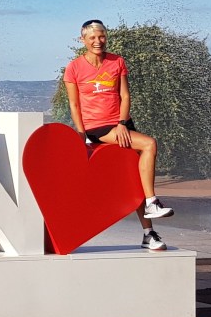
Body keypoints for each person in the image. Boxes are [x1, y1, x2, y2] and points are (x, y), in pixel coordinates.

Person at [63, 19, 174, 251]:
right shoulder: (74, 68)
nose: (98, 41)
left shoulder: (117, 61)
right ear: (82, 40)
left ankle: (148, 234)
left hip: (120, 124)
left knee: (136, 178)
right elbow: (74, 104)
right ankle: (152, 202)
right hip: (97, 127)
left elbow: (125, 95)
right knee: (149, 144)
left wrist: (122, 123)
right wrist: (81, 134)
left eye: (101, 36)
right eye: (92, 37)